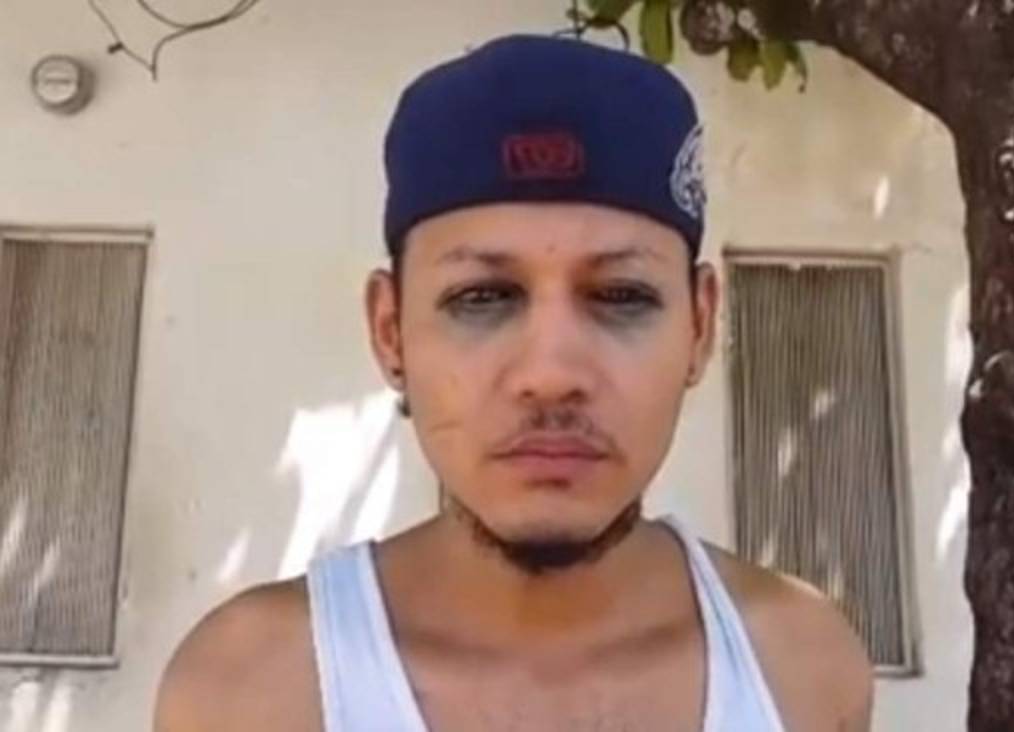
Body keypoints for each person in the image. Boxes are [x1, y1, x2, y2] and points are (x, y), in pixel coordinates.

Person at [154, 34, 873, 732]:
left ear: (702, 325)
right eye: (481, 298)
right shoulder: (248, 690)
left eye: (622, 296)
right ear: (390, 331)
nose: (551, 376)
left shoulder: (801, 668)